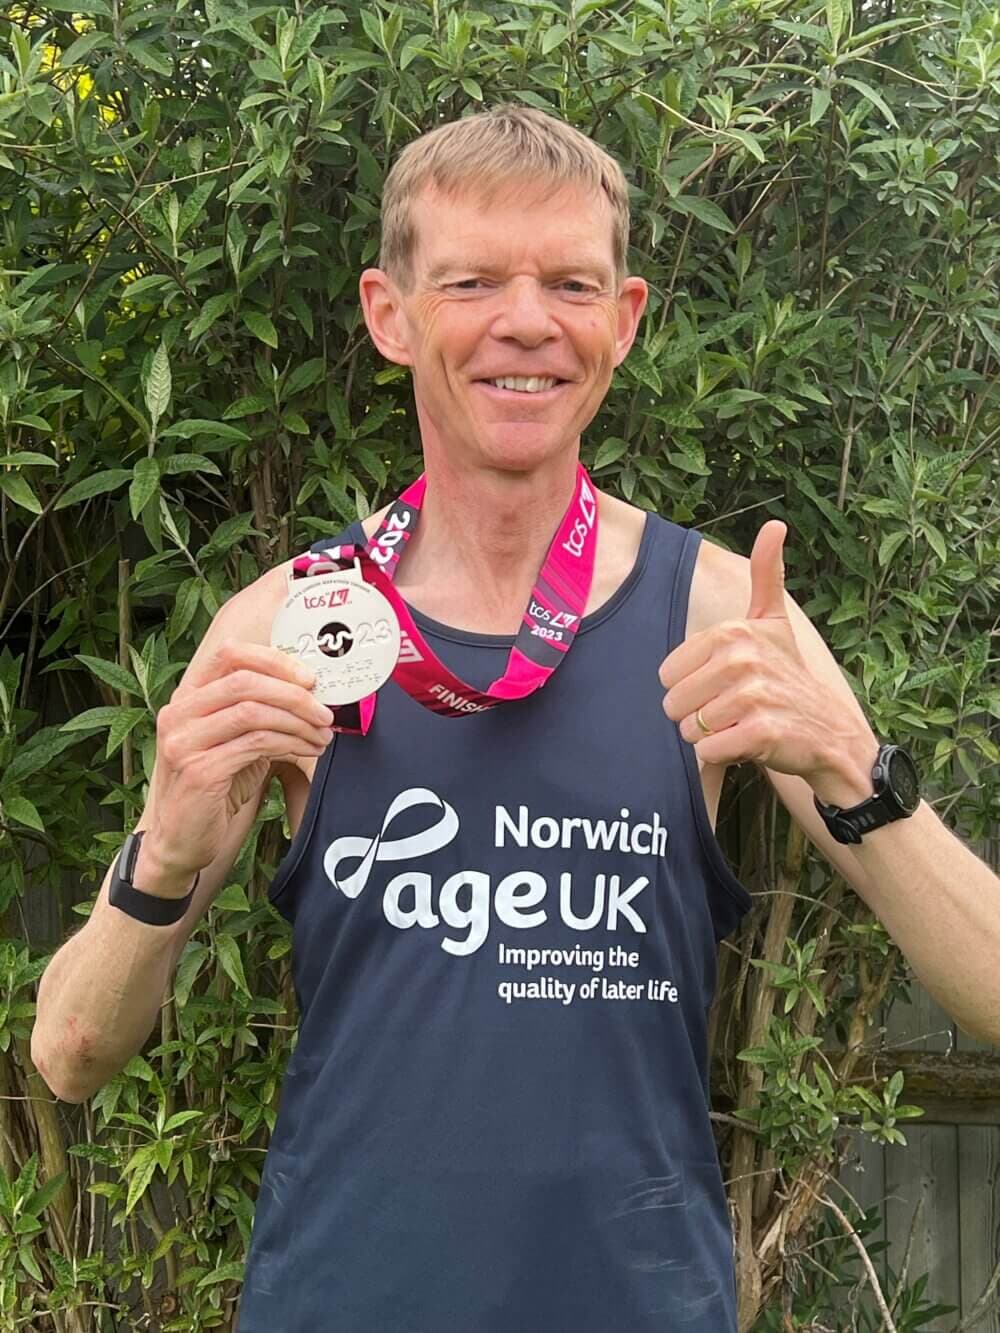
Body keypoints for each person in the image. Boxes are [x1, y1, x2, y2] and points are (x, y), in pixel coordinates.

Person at [31, 105, 1000, 1333]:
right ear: (391, 313)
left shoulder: (718, 612)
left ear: (625, 319)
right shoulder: (291, 624)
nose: (527, 322)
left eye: (570, 283)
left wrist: (856, 766)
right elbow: (68, 1057)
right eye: (473, 280)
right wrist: (165, 850)